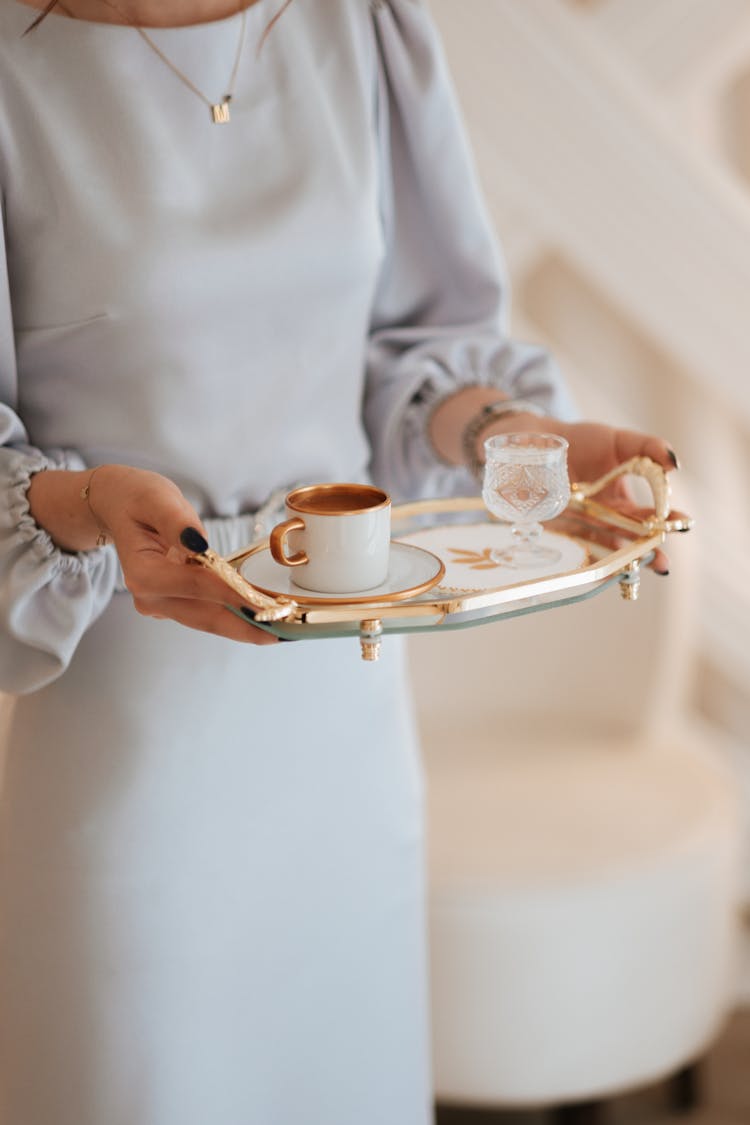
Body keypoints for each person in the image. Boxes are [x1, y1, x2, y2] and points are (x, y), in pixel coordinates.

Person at [0, 1, 677, 1122]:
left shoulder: (361, 25)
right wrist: (85, 505)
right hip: (135, 735)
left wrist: (515, 441)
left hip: (343, 731)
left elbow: (403, 351)